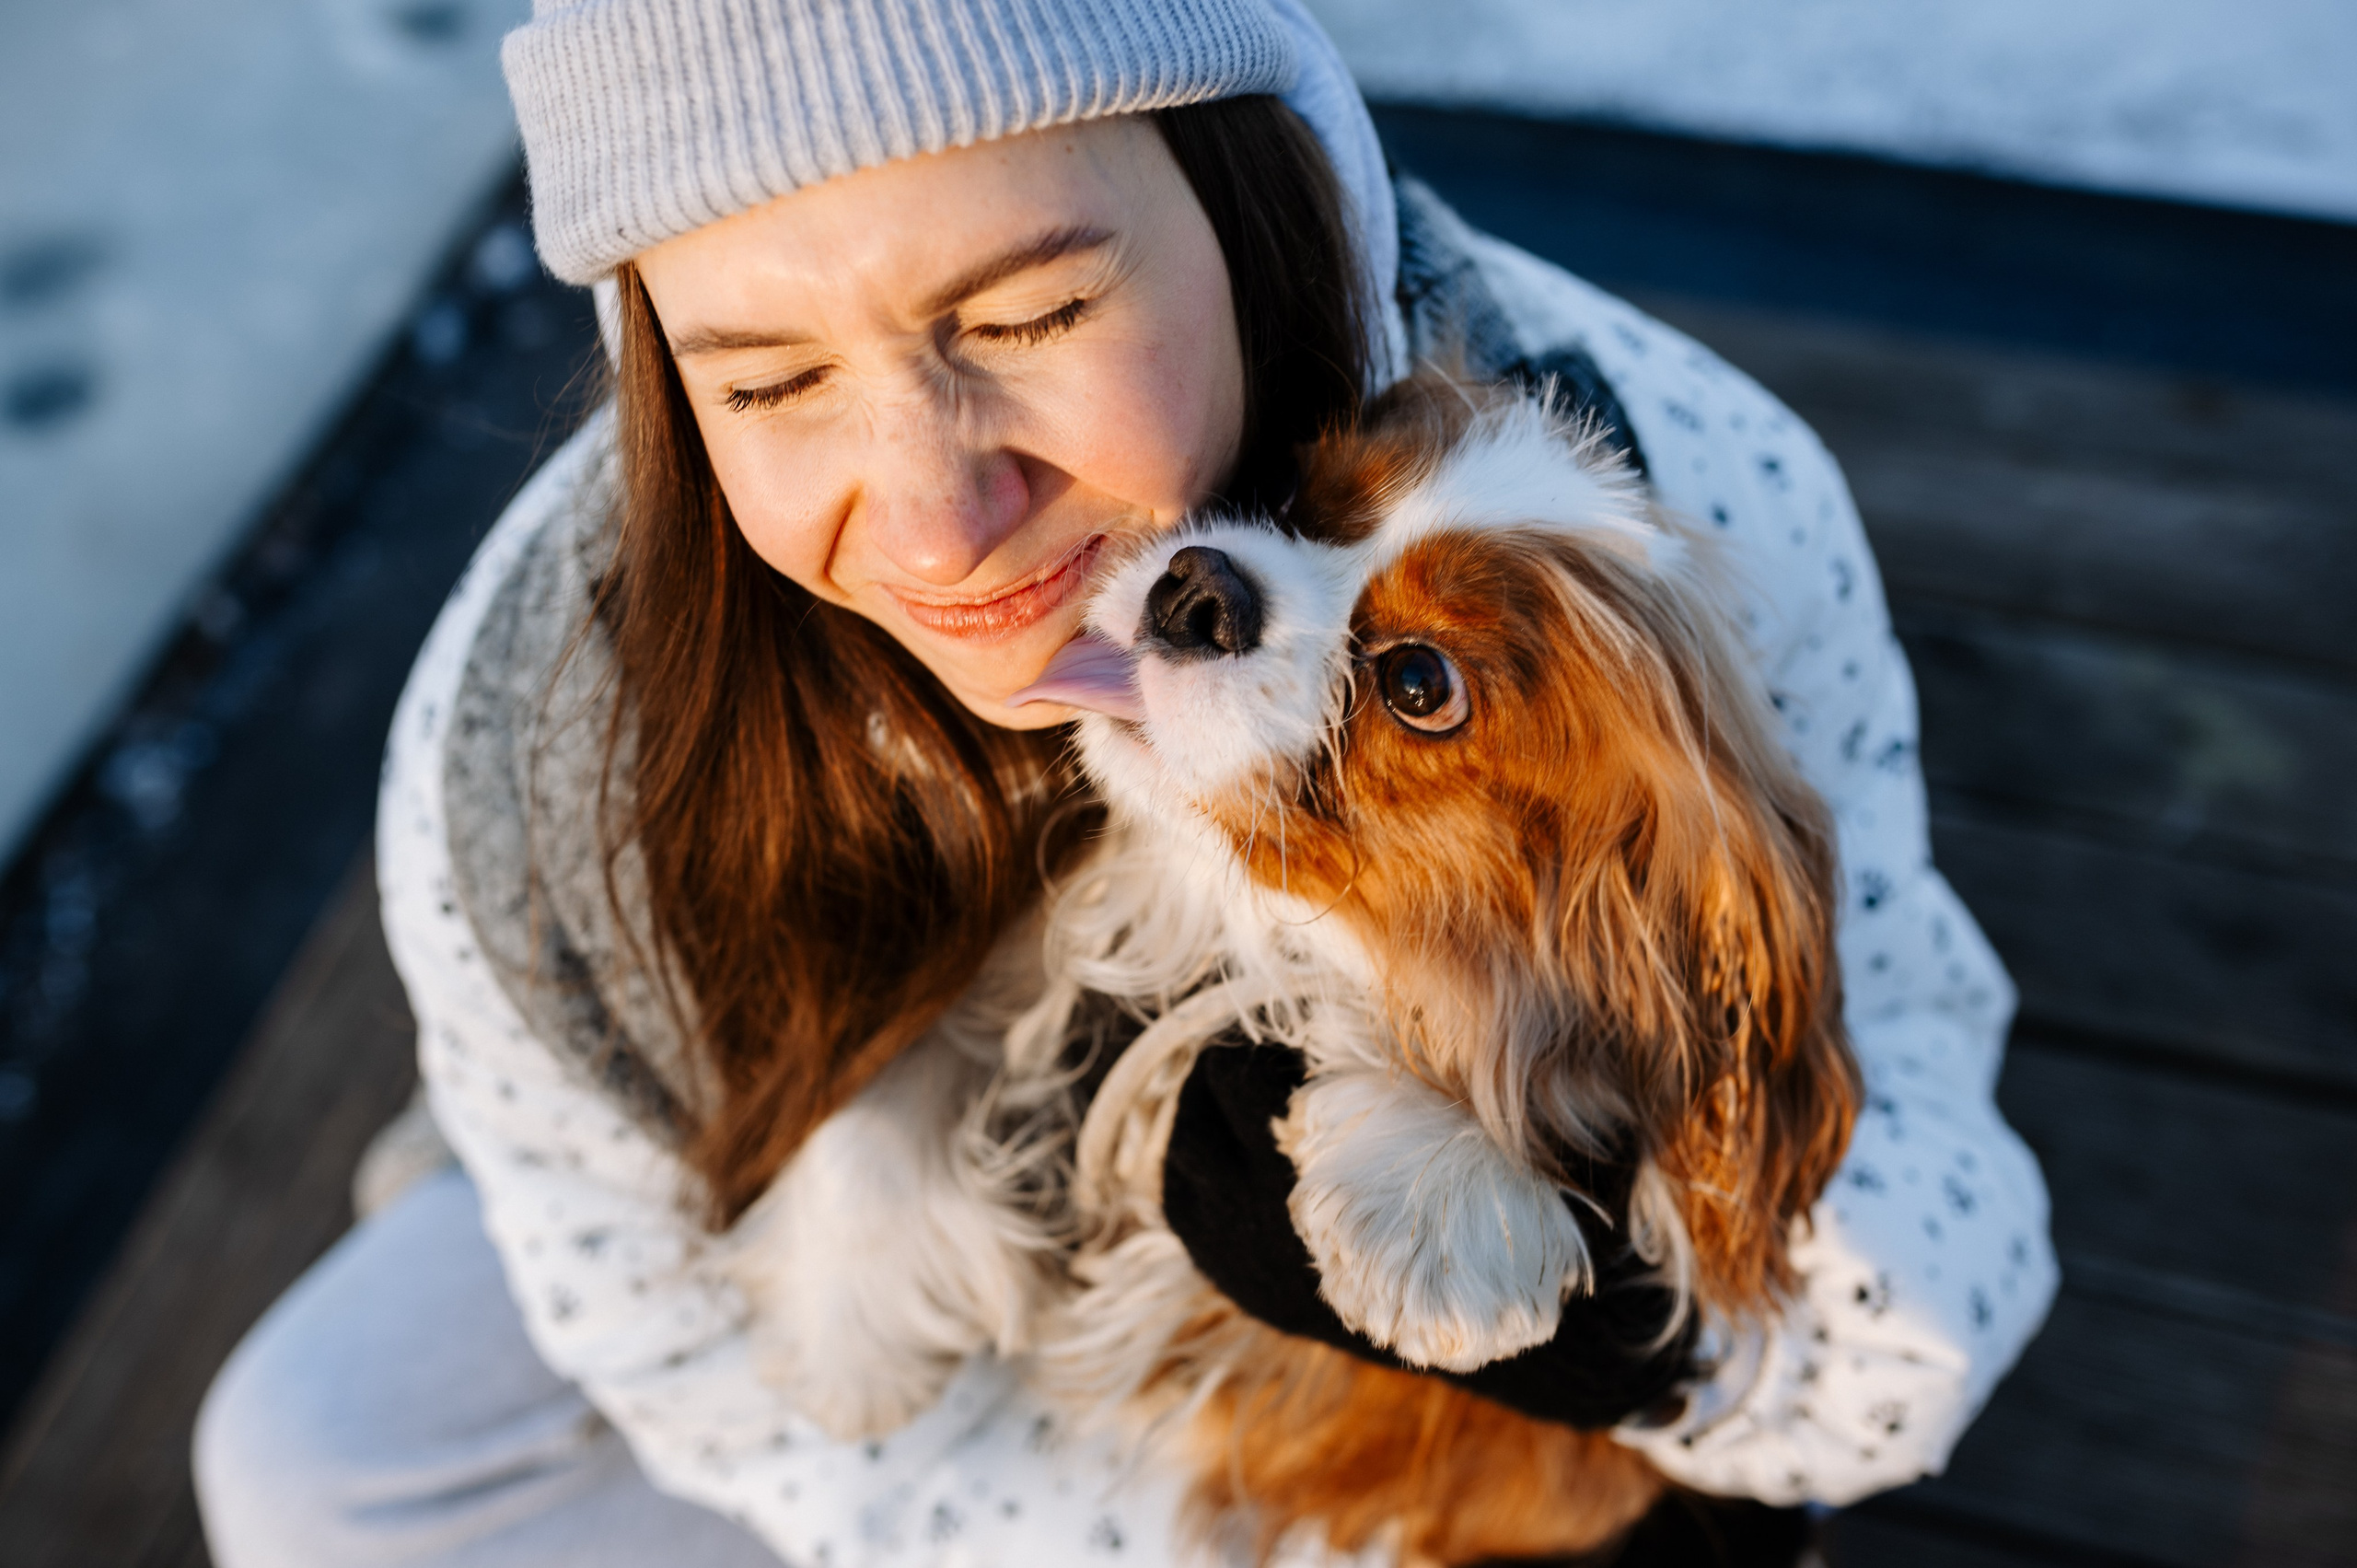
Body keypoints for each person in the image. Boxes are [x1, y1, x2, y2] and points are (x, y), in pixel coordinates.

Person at [192, 3, 2059, 1565]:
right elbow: (707, 1376)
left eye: (1026, 319)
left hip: (1335, 1360)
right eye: (767, 380)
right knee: (316, 1453)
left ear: (1264, 211)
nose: (934, 514)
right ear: (665, 387)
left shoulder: (1685, 520)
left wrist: (1625, 1348)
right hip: (738, 1180)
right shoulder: (535, 737)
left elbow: (1911, 1324)